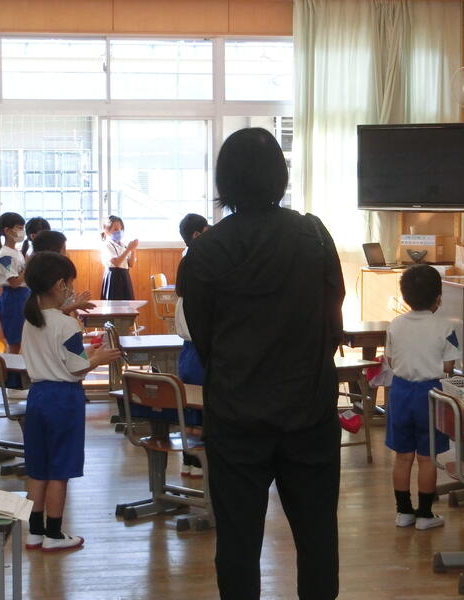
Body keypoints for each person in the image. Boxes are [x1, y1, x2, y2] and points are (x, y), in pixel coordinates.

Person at [182, 128, 345, 600]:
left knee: (237, 541)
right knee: (317, 536)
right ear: (280, 175)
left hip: (236, 416)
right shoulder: (314, 236)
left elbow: (204, 338)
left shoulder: (205, 250)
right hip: (309, 411)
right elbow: (333, 322)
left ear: (224, 180)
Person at [21, 251, 121, 551]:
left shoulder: (31, 320)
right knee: (60, 469)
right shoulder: (67, 325)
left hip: (37, 397)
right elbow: (77, 368)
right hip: (63, 399)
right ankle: (54, 534)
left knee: (38, 467)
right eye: (69, 283)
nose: (71, 289)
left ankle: (34, 531)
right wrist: (98, 357)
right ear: (59, 284)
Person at [385, 265, 460, 529]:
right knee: (427, 458)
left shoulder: (395, 325)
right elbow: (449, 366)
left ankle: (404, 512)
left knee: (403, 456)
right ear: (438, 298)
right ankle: (425, 515)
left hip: (400, 392)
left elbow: (390, 360)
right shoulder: (446, 327)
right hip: (430, 394)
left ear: (405, 296)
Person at [174, 213, 209, 478]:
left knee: (189, 410)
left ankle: (189, 462)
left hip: (187, 354)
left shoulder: (182, 299)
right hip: (199, 355)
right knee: (200, 409)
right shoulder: (197, 300)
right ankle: (197, 463)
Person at [31, 230, 95, 316]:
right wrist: (76, 305)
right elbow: (51, 313)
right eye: (64, 249)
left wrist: (75, 304)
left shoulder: (58, 271)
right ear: (53, 251)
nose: (67, 253)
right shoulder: (45, 278)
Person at [0, 212, 29, 354]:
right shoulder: (5, 255)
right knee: (15, 343)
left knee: (23, 340)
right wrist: (28, 267)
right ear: (7, 231)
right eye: (19, 228)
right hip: (13, 299)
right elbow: (14, 282)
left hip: (23, 296)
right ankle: (11, 368)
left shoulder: (17, 252)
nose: (22, 232)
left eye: (23, 228)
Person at [100, 215, 138, 301]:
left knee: (127, 305)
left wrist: (133, 250)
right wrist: (128, 249)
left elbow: (131, 264)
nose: (119, 232)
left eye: (121, 229)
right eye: (115, 229)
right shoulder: (107, 245)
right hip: (113, 277)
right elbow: (116, 263)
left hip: (125, 276)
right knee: (114, 304)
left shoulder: (123, 245)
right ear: (107, 230)